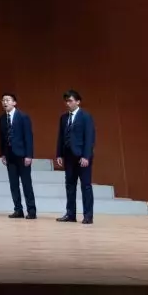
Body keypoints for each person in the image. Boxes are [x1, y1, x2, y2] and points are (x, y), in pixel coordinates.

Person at [56, 89, 95, 224]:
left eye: (70, 101)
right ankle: (70, 214)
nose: (68, 103)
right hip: (68, 157)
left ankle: (88, 216)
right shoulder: (63, 118)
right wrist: (59, 154)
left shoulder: (86, 116)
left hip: (82, 157)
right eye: (66, 101)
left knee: (86, 186)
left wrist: (86, 156)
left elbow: (89, 138)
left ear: (78, 102)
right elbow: (61, 137)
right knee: (70, 186)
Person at [0, 93, 36, 219]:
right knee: (13, 184)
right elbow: (1, 138)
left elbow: (28, 137)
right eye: (3, 100)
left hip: (22, 155)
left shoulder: (23, 117)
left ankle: (31, 211)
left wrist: (29, 155)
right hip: (9, 155)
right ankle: (18, 210)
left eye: (8, 100)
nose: (5, 102)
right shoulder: (1, 118)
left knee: (26, 184)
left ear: (14, 102)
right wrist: (2, 154)